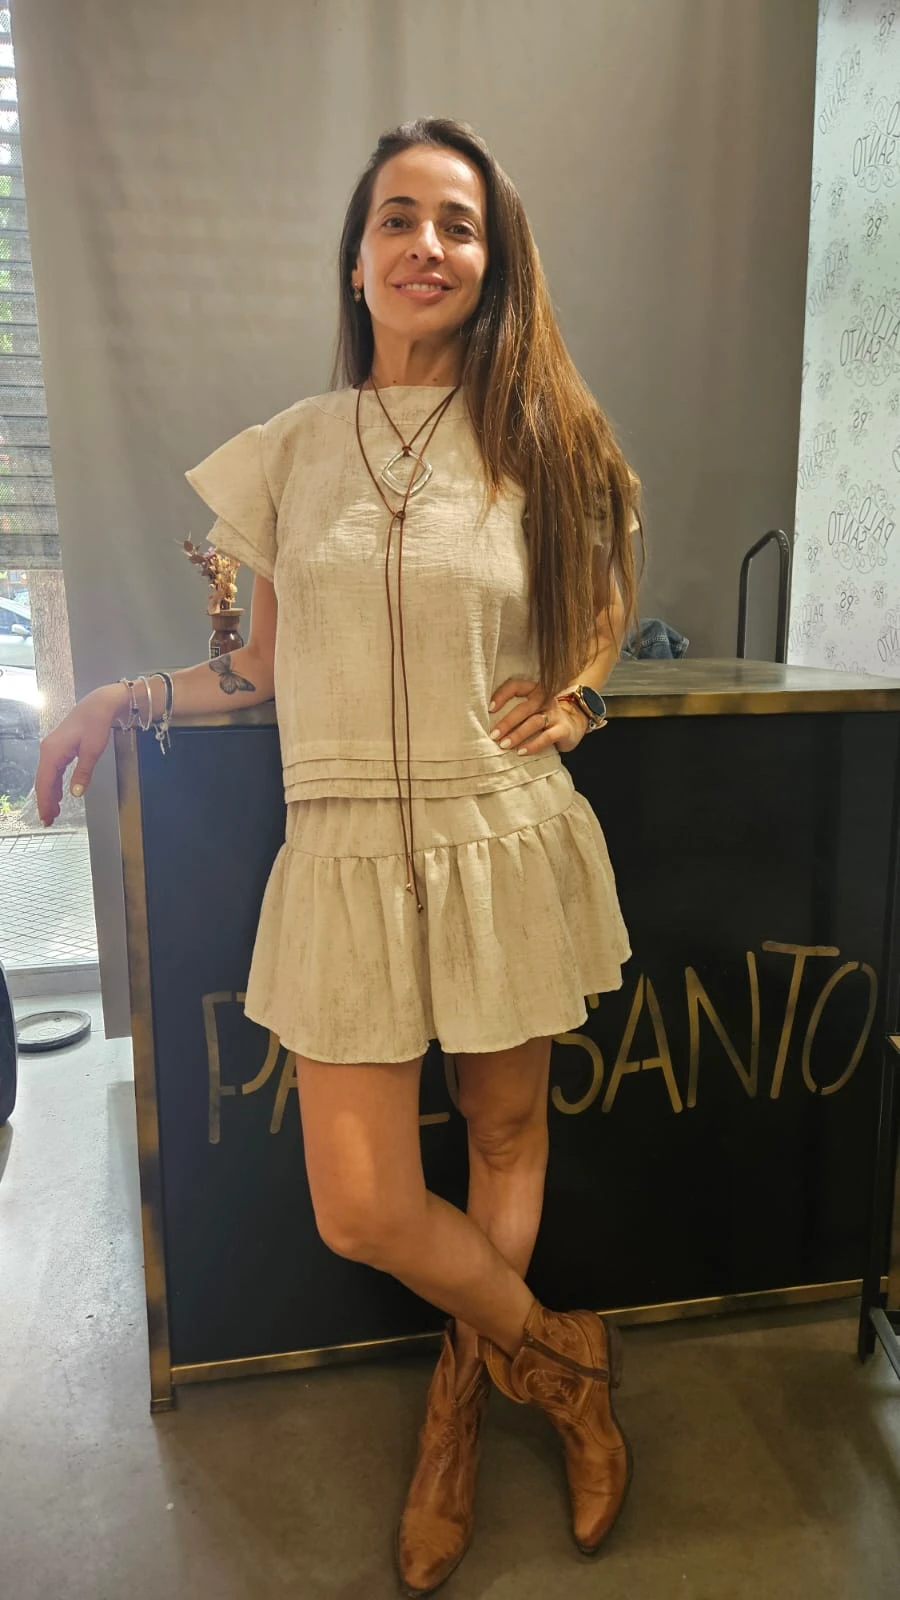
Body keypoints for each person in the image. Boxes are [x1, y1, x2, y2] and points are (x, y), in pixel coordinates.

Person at [36, 118, 643, 1597]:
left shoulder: (541, 435)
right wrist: (126, 695)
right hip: (346, 850)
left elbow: (608, 588)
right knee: (360, 1204)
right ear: (356, 258)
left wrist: (582, 692)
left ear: (494, 263)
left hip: (500, 831)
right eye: (399, 219)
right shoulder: (294, 451)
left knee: (504, 1134)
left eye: (459, 224)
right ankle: (562, 1365)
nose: (428, 245)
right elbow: (259, 668)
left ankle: (457, 1409)